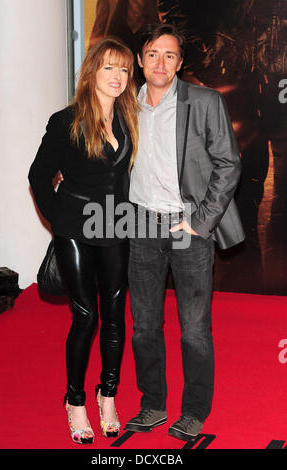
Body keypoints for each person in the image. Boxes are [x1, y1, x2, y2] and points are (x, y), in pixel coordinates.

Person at [125, 23, 245, 441]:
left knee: (194, 327)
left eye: (170, 55)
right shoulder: (123, 103)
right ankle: (153, 404)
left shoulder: (204, 102)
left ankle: (194, 410)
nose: (161, 62)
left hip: (187, 227)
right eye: (153, 54)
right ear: (139, 59)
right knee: (144, 324)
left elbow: (228, 164)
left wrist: (200, 222)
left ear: (180, 62)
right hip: (140, 223)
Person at [28, 37, 139, 444]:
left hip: (116, 225)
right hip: (76, 226)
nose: (117, 77)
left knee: (114, 315)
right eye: (109, 67)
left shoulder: (129, 118)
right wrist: (59, 221)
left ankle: (107, 395)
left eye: (124, 69)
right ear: (92, 71)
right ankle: (75, 400)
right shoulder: (67, 120)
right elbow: (39, 175)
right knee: (86, 317)